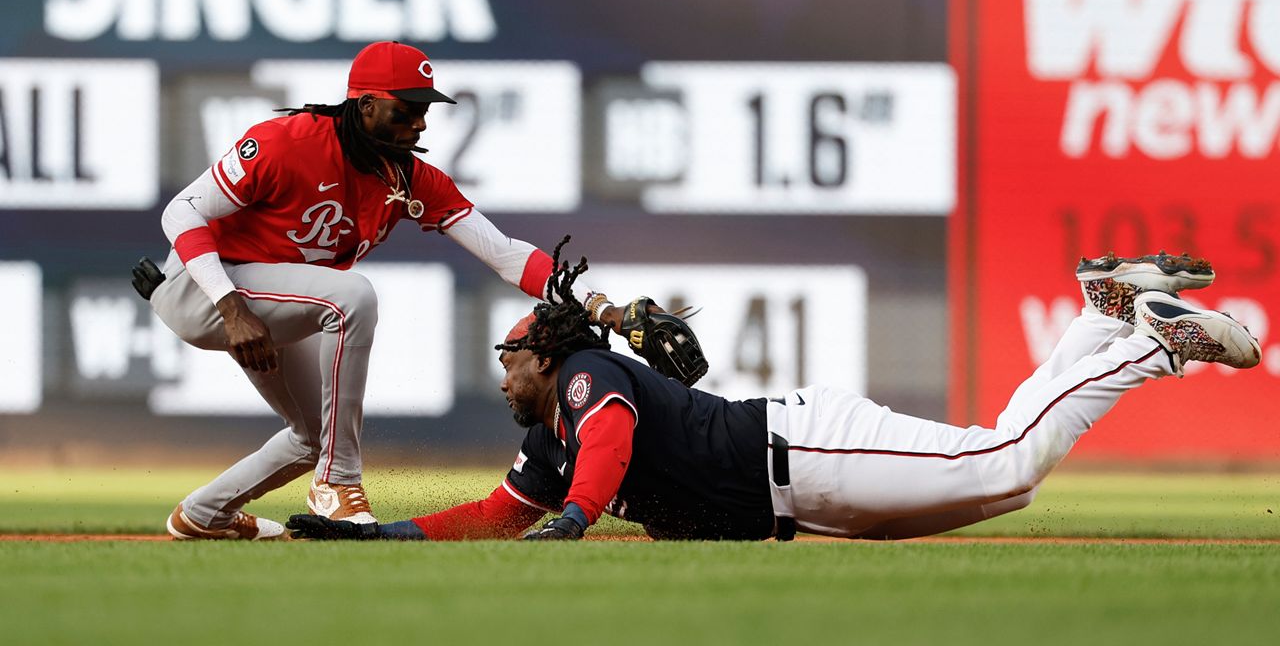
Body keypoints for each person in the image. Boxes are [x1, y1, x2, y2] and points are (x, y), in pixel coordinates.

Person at [286, 251, 1261, 542]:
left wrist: (579, 515)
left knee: (1004, 468)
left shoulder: (590, 379)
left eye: (510, 353)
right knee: (999, 467)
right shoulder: (550, 438)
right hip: (800, 499)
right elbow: (499, 514)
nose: (501, 372)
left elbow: (613, 439)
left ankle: (1147, 345)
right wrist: (384, 538)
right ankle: (1101, 314)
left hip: (807, 454)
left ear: (546, 354)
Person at [150, 41, 629, 540]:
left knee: (317, 434)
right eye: (407, 110)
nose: (419, 124)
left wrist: (602, 308)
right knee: (352, 297)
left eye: (424, 112)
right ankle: (337, 482)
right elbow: (180, 212)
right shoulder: (285, 143)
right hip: (205, 288)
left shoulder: (406, 177)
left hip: (270, 300)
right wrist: (230, 308)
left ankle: (204, 514)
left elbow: (506, 253)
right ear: (366, 105)